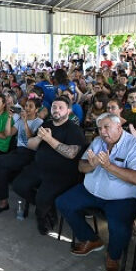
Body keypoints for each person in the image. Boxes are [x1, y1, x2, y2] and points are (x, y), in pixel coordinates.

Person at [56, 113, 136, 271]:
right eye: (100, 128)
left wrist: (109, 166)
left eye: (107, 127)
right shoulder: (98, 141)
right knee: (63, 202)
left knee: (119, 228)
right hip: (92, 191)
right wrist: (91, 166)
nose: (102, 131)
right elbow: (81, 166)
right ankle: (91, 239)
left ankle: (113, 256)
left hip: (122, 199)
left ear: (118, 127)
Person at [12, 96, 86, 235]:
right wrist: (39, 137)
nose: (56, 110)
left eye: (60, 107)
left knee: (42, 197)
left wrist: (49, 139)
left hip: (61, 173)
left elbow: (71, 154)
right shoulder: (46, 124)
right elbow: (31, 145)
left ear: (68, 111)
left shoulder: (74, 130)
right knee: (18, 186)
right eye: (54, 107)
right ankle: (47, 206)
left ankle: (44, 218)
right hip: (39, 167)